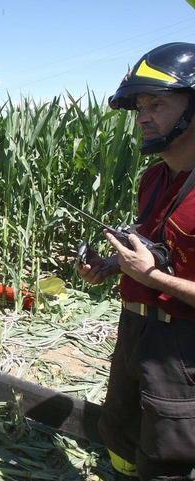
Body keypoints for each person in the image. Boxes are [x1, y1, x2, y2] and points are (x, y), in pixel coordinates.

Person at [77, 42, 195, 481]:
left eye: (158, 104)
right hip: (134, 329)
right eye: (139, 107)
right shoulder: (154, 177)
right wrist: (110, 266)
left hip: (181, 347)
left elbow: (160, 271)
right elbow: (157, 247)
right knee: (119, 431)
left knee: (166, 458)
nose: (143, 117)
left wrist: (152, 275)